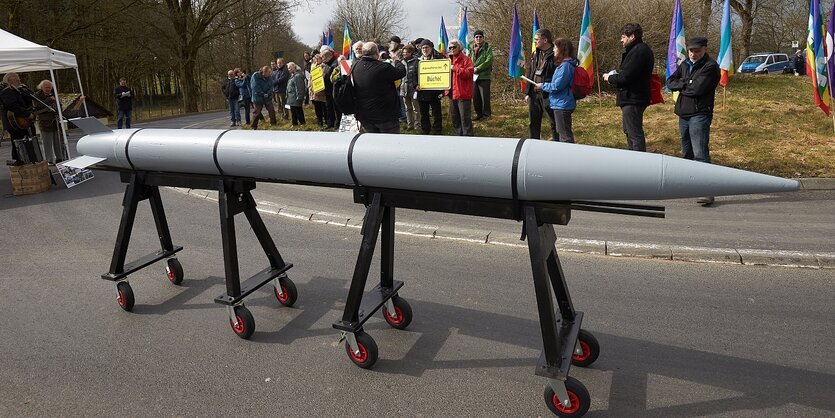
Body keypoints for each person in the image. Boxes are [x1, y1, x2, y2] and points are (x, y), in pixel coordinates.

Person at [666, 36, 721, 206]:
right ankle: (688, 185)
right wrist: (686, 82)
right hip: (684, 114)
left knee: (700, 154)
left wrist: (682, 85)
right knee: (687, 153)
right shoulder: (684, 65)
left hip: (699, 114)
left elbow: (697, 89)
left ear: (704, 49)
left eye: (697, 50)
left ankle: (707, 191)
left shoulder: (710, 66)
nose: (693, 53)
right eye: (691, 50)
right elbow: (669, 83)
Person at [603, 23, 654, 152]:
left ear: (632, 36)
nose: (621, 40)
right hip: (631, 97)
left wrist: (610, 78)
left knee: (634, 132)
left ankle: (639, 163)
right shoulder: (637, 50)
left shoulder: (639, 51)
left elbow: (627, 77)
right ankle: (633, 158)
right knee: (629, 130)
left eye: (623, 37)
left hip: (634, 98)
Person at [351, 42, 406, 133]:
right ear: (377, 53)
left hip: (365, 115)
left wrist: (378, 61)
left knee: (373, 143)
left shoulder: (355, 66)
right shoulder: (383, 67)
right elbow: (401, 72)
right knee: (390, 143)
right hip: (385, 116)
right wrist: (396, 60)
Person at [536, 38, 577, 143]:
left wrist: (542, 85)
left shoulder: (565, 67)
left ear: (561, 49)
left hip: (562, 104)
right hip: (559, 103)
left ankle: (568, 156)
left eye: (555, 47)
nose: (553, 50)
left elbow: (557, 86)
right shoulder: (563, 65)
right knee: (562, 131)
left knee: (565, 135)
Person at [525, 29, 558, 140]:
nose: (534, 42)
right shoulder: (535, 53)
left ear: (545, 40)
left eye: (536, 39)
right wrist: (527, 92)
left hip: (548, 93)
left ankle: (558, 144)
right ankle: (533, 143)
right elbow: (531, 72)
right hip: (534, 93)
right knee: (533, 122)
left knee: (554, 121)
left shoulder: (556, 54)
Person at [0, 72, 34, 163]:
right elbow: (12, 105)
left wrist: (26, 90)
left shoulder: (18, 90)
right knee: (17, 143)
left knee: (21, 142)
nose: (20, 81)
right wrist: (27, 114)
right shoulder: (7, 91)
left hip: (19, 121)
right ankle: (18, 161)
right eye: (17, 79)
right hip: (14, 122)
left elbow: (30, 98)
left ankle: (23, 160)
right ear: (11, 80)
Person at [416, 39, 444, 135]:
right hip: (422, 92)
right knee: (424, 114)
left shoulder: (439, 58)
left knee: (436, 113)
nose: (425, 49)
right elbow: (412, 75)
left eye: (427, 47)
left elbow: (444, 75)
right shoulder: (417, 60)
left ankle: (437, 130)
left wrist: (442, 88)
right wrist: (415, 85)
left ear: (431, 48)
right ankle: (425, 130)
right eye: (423, 48)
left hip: (435, 92)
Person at [33, 80, 65, 163]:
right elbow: (38, 106)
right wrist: (49, 100)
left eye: (49, 87)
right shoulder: (36, 95)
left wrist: (57, 110)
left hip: (55, 121)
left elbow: (60, 106)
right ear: (41, 87)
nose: (48, 89)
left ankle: (59, 158)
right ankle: (49, 160)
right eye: (46, 87)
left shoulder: (54, 94)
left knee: (57, 141)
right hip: (44, 122)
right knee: (47, 142)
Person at [448, 39, 474, 136]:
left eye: (454, 47)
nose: (452, 49)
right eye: (450, 47)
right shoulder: (447, 60)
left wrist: (455, 68)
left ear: (459, 47)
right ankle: (457, 137)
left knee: (465, 118)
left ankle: (468, 137)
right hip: (451, 93)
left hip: (463, 93)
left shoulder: (466, 59)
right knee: (455, 118)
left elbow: (469, 73)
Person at [469, 29, 493, 120]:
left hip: (484, 76)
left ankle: (486, 115)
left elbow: (489, 60)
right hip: (473, 76)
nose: (478, 38)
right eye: (476, 37)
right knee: (475, 97)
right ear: (474, 38)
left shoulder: (488, 48)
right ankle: (478, 114)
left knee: (484, 97)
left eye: (480, 37)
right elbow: (468, 60)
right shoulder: (471, 48)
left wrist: (478, 68)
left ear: (483, 38)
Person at [400, 44, 421, 130]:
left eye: (406, 53)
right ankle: (410, 125)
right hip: (404, 88)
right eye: (403, 53)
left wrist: (418, 84)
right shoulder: (401, 62)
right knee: (407, 108)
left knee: (416, 108)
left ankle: (417, 125)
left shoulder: (417, 61)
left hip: (414, 88)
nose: (404, 54)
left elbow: (419, 75)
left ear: (410, 53)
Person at [250, 65, 277, 130]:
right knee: (257, 112)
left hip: (267, 96)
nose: (269, 74)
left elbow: (271, 86)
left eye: (270, 72)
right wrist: (262, 93)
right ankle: (254, 126)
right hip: (258, 97)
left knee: (271, 110)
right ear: (264, 72)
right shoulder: (255, 76)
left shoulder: (269, 77)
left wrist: (268, 93)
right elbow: (255, 87)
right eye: (268, 73)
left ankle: (273, 123)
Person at [320, 45, 340, 129]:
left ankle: (337, 122)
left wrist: (325, 68)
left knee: (336, 107)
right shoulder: (327, 64)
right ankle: (330, 122)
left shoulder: (335, 63)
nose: (323, 60)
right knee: (328, 106)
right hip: (327, 88)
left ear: (328, 57)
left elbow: (332, 74)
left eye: (323, 58)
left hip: (334, 88)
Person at [310, 54, 327, 126]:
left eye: (318, 58)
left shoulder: (323, 66)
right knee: (317, 107)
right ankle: (319, 121)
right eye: (315, 59)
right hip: (314, 90)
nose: (316, 60)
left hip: (321, 91)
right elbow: (311, 77)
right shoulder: (313, 66)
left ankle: (326, 121)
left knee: (323, 107)